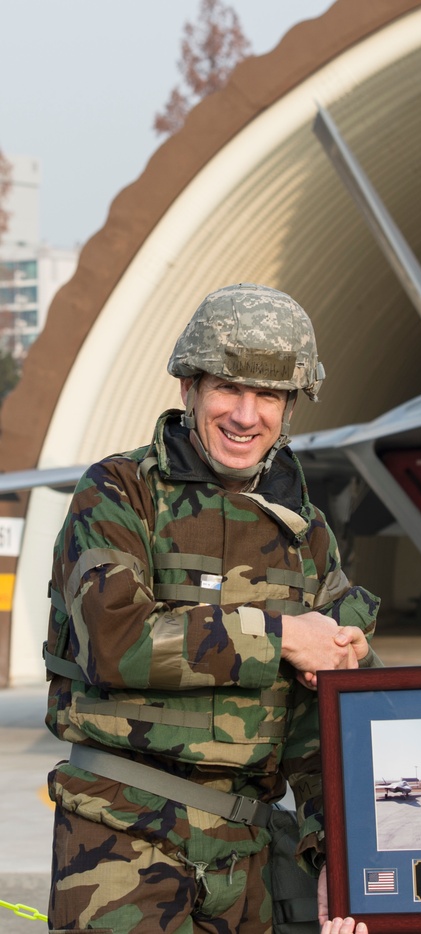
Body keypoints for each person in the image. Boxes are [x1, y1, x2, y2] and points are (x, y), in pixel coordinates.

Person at [43, 283, 381, 933]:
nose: (246, 414)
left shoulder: (306, 534)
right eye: (228, 388)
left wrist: (335, 850)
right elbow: (114, 639)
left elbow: (323, 717)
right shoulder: (120, 494)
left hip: (243, 857)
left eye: (270, 396)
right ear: (188, 390)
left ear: (289, 408)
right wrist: (281, 635)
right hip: (118, 838)